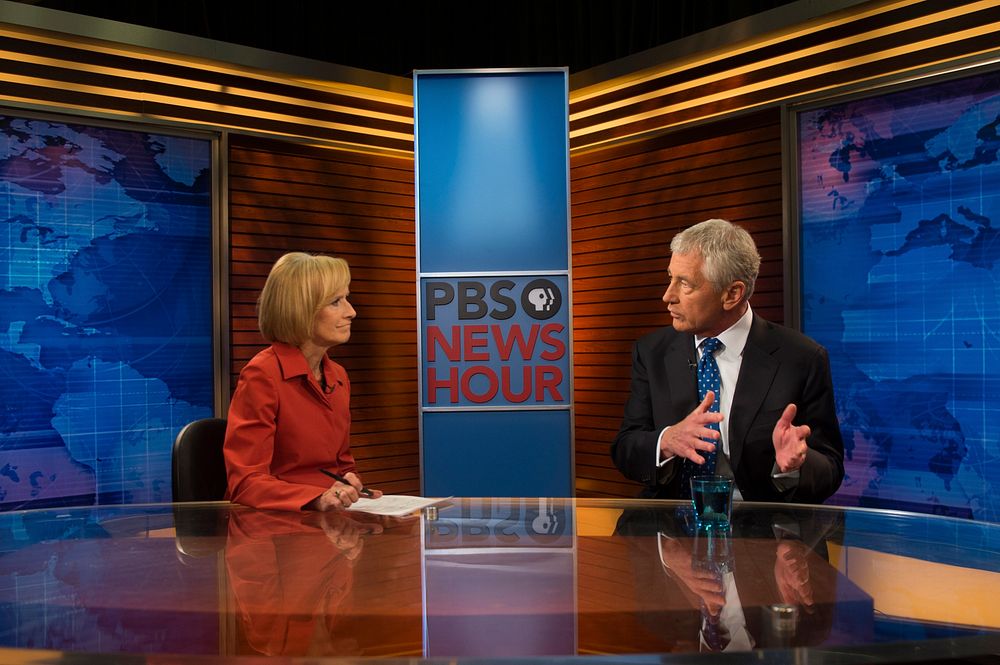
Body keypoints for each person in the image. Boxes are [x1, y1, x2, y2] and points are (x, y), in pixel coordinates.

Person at [612, 219, 844, 503]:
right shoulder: (652, 352)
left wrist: (793, 467)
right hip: (670, 526)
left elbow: (830, 467)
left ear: (732, 294)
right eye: (670, 277)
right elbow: (625, 448)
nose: (667, 296)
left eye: (684, 284)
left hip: (761, 531)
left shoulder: (802, 358)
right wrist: (667, 441)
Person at [224, 252, 382, 511]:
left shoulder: (338, 377)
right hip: (276, 529)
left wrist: (350, 486)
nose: (351, 312)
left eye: (347, 299)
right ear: (301, 310)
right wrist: (317, 498)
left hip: (327, 525)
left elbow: (341, 467)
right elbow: (246, 483)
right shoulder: (262, 375)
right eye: (335, 302)